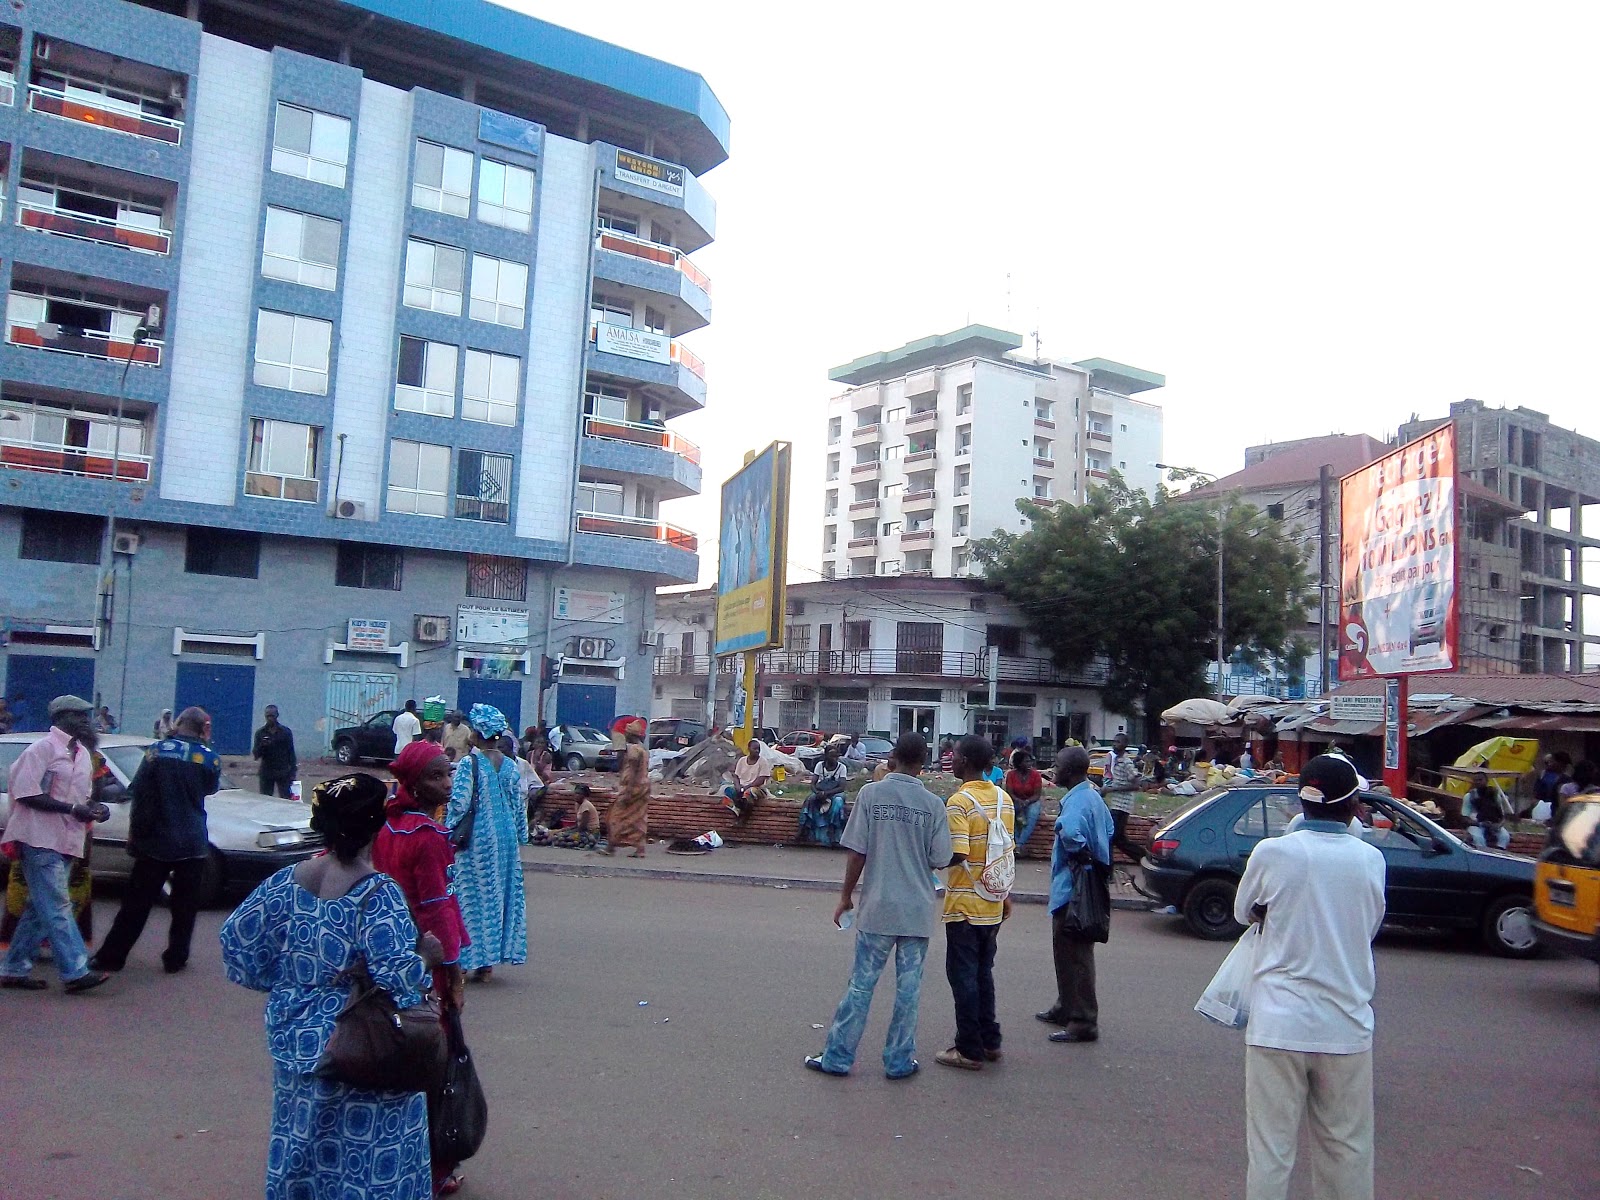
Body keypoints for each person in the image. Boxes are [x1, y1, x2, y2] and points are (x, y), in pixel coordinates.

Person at [221, 773, 441, 1200]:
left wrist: (291, 985)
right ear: (376, 825)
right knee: (366, 1160)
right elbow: (398, 979)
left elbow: (237, 943)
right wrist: (427, 957)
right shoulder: (378, 894)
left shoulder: (288, 881)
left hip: (295, 1041)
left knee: (301, 1151)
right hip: (361, 1046)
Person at [1233, 754, 1386, 1200]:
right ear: (1353, 805)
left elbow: (1244, 911)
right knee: (1347, 1149)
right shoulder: (1370, 860)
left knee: (1270, 1153)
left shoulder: (1273, 853)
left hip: (1277, 1024)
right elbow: (1369, 926)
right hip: (1345, 1025)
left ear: (1301, 803)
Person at [805, 732, 952, 1079]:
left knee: (861, 985)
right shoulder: (934, 805)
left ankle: (837, 1058)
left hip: (878, 908)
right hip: (916, 910)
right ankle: (899, 1061)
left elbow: (857, 852)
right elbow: (941, 858)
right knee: (908, 990)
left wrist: (846, 896)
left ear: (892, 758)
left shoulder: (871, 795)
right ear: (923, 764)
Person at [372, 740, 470, 1198]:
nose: (447, 783)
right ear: (414, 783)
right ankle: (432, 1170)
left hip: (388, 959)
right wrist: (453, 976)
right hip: (426, 964)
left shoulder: (387, 828)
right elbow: (437, 909)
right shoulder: (428, 837)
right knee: (433, 1067)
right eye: (436, 776)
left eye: (449, 773)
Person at [91, 707, 221, 975]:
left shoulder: (155, 752)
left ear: (179, 723)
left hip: (156, 841)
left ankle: (111, 957)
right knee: (185, 907)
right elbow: (209, 789)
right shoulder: (210, 758)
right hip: (193, 841)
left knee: (136, 905)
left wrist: (136, 834)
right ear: (203, 728)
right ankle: (176, 958)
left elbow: (140, 793)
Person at [0, 695, 113, 994]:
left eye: (87, 715)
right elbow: (26, 793)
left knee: (40, 908)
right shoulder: (42, 750)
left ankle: (13, 968)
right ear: (62, 718)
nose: (87, 721)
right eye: (80, 715)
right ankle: (75, 971)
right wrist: (72, 810)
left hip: (67, 840)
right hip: (38, 838)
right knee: (58, 905)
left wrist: (96, 808)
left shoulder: (82, 754)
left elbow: (80, 798)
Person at [936, 734, 1014, 1071]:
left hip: (965, 905)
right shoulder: (1003, 799)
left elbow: (958, 853)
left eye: (954, 755)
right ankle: (990, 1040)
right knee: (983, 972)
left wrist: (930, 859)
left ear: (965, 761)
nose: (951, 759)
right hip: (993, 901)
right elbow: (1005, 852)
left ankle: (968, 1049)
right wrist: (1005, 895)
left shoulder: (959, 802)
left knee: (963, 976)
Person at [447, 704, 528, 982]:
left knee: (469, 898)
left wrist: (446, 830)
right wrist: (521, 835)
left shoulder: (468, 764)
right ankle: (487, 966)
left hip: (478, 840)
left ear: (478, 733)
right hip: (506, 840)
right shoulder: (511, 766)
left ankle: (465, 961)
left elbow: (459, 803)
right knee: (497, 898)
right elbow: (518, 805)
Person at [1038, 746, 1113, 1043]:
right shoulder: (1092, 796)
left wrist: (1081, 853)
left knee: (1076, 955)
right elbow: (1109, 830)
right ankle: (1065, 1006)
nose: (1054, 770)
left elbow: (1069, 833)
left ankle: (1083, 1020)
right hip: (1085, 883)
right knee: (1067, 952)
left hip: (1074, 888)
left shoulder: (1078, 802)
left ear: (1069, 771)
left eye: (1057, 765)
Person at [1100, 733, 1147, 869]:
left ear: (1125, 745)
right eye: (1114, 742)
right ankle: (1144, 858)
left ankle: (1107, 869)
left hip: (1122, 805)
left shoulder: (1126, 762)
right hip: (1117, 804)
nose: (1115, 745)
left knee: (1110, 837)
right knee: (1119, 839)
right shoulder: (1116, 760)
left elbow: (1136, 785)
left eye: (1118, 742)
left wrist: (1112, 789)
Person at [605, 718, 651, 857]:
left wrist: (628, 791)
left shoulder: (633, 750)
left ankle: (611, 847)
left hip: (633, 788)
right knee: (638, 818)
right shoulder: (643, 750)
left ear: (630, 735)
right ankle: (640, 849)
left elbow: (633, 771)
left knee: (615, 816)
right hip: (644, 787)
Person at [797, 744, 849, 847]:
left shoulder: (842, 767)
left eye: (836, 756)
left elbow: (842, 787)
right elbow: (813, 784)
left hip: (835, 793)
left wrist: (826, 793)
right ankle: (803, 827)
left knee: (838, 802)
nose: (834, 758)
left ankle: (833, 828)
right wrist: (817, 793)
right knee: (809, 800)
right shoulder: (819, 765)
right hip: (821, 792)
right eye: (832, 756)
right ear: (825, 756)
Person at [252, 705, 297, 798]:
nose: (270, 718)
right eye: (268, 716)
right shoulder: (260, 733)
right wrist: (262, 745)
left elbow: (291, 752)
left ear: (277, 715)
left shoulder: (285, 732)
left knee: (285, 798)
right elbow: (256, 755)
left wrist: (293, 771)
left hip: (283, 771)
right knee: (265, 799)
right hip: (266, 771)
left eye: (272, 716)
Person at [1005, 749, 1045, 851]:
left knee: (1033, 814)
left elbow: (1037, 795)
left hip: (1031, 801)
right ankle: (1016, 842)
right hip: (1015, 800)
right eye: (1026, 761)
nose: (1029, 763)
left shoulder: (1035, 775)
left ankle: (1019, 844)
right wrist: (1018, 800)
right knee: (1010, 814)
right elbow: (1009, 792)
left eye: (1030, 761)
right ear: (1019, 763)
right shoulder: (1011, 775)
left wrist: (1027, 801)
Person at [722, 740, 770, 819]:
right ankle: (738, 809)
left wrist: (746, 787)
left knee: (749, 793)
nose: (757, 751)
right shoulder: (742, 760)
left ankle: (745, 816)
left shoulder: (763, 762)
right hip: (742, 786)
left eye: (758, 749)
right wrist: (738, 787)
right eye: (755, 749)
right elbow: (736, 776)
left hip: (756, 788)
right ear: (749, 749)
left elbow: (761, 779)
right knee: (728, 790)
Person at [1464, 771, 1511, 850]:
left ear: (1486, 781)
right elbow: (1465, 818)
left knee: (1505, 836)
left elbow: (1502, 816)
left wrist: (1498, 825)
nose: (1478, 782)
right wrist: (1480, 824)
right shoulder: (1469, 796)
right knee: (1478, 838)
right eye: (1475, 780)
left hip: (1494, 825)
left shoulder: (1495, 795)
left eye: (1480, 780)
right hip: (1476, 825)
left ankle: (1499, 853)